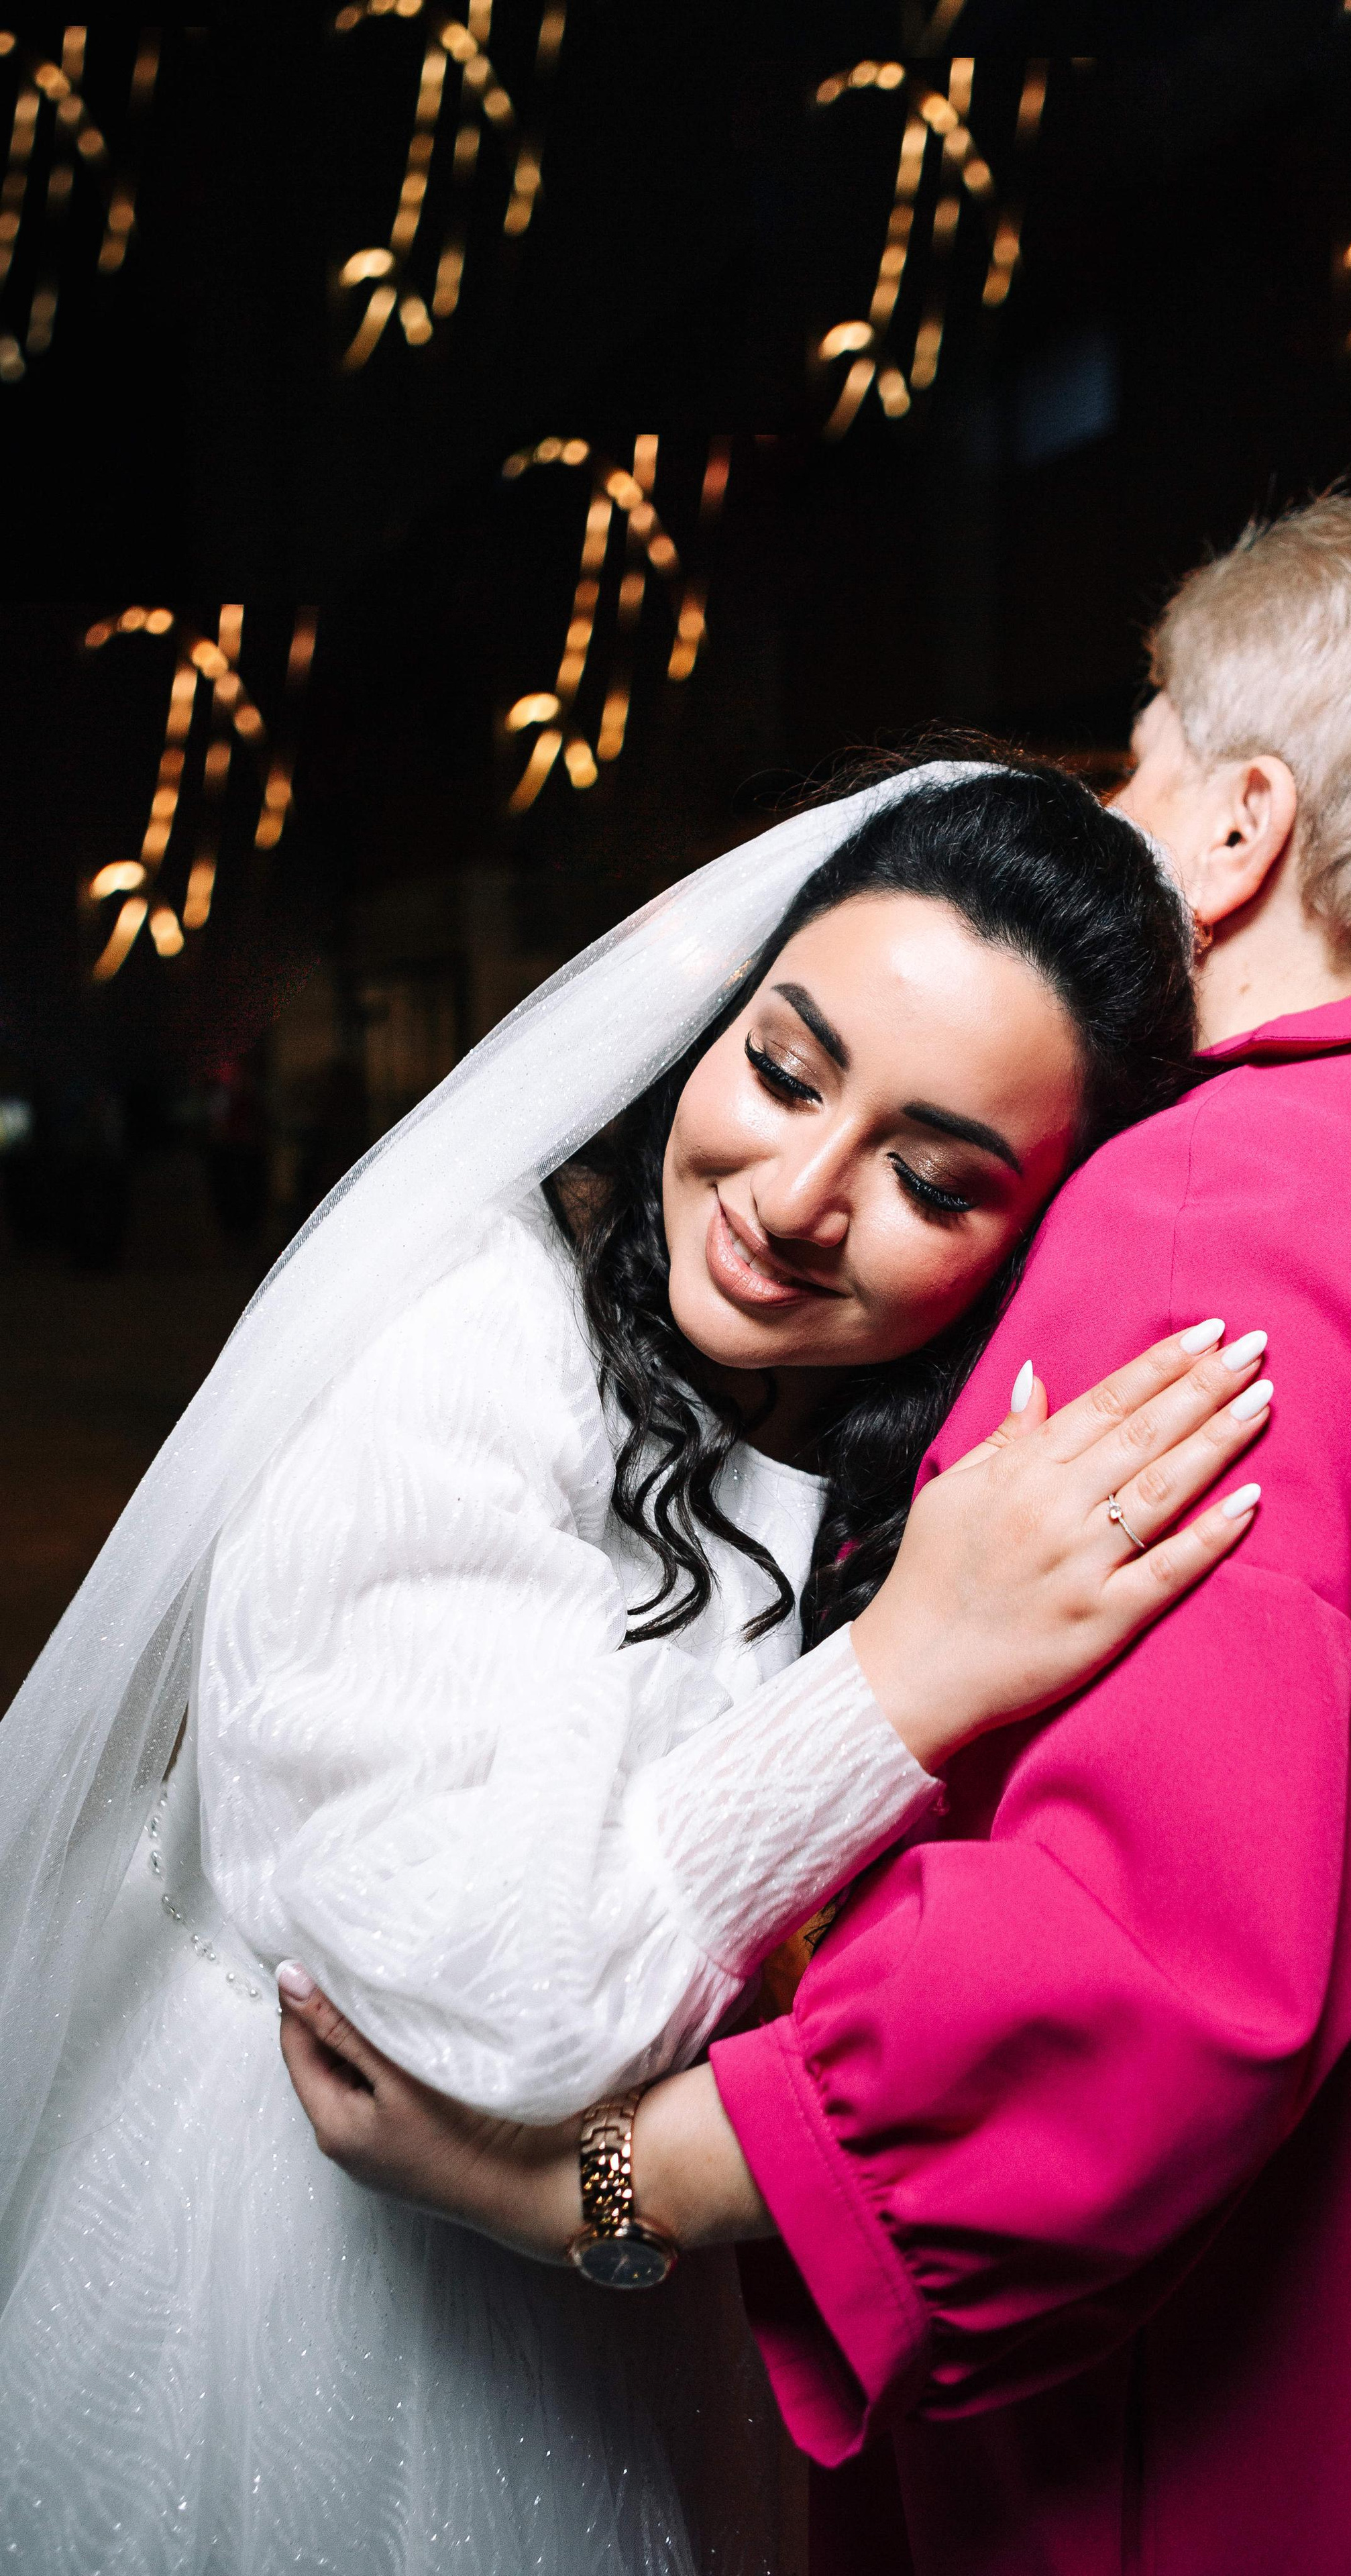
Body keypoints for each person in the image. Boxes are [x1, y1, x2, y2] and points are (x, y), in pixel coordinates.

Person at [284, 493, 1351, 2576]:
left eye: (1131, 759)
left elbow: (1136, 1976)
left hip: (1254, 2465)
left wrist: (590, 2191)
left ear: (1233, 831)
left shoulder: (1232, 1205)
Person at [0, 756, 1277, 2576]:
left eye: (931, 1175)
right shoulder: (461, 1344)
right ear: (709, 1016)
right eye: (782, 1067)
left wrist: (606, 2210)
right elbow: (502, 2007)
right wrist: (900, 1677)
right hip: (291, 2312)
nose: (796, 1196)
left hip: (620, 2355)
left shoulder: (864, 1443)